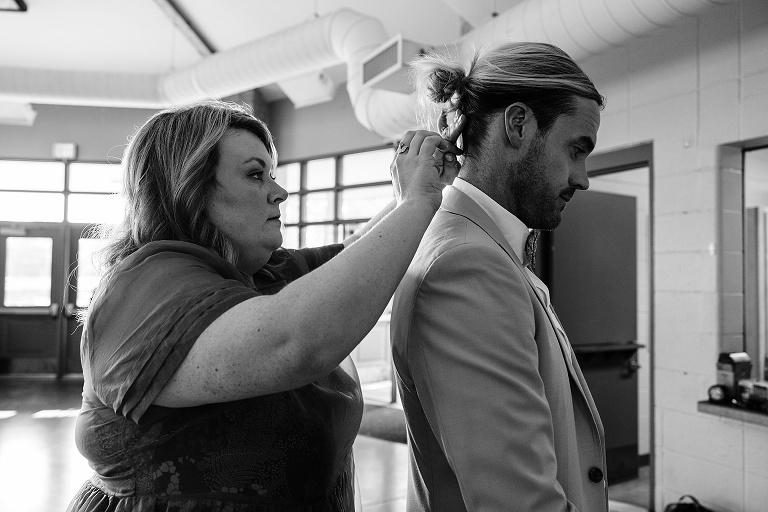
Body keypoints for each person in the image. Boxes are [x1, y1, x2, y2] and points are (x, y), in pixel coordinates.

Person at [66, 99, 463, 511]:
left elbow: (355, 252)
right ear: (189, 190)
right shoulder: (143, 289)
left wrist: (423, 185)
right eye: (256, 175)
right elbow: (292, 342)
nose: (280, 192)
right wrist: (417, 201)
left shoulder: (260, 272)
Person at [390, 42, 608, 511]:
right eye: (576, 149)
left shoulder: (483, 247)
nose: (583, 177)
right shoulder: (467, 266)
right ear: (518, 124)